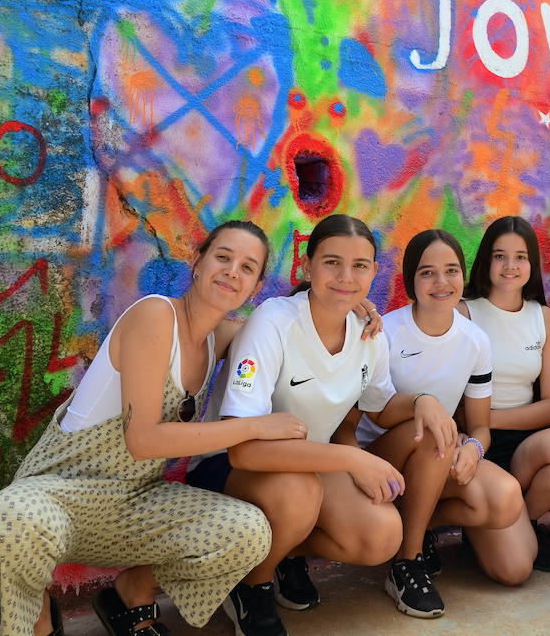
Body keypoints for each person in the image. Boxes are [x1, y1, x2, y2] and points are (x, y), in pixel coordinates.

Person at [0, 221, 282, 636]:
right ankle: (39, 619)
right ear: (198, 262)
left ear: (255, 287)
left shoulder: (221, 338)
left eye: (247, 267)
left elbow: (294, 328)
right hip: (59, 495)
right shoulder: (155, 315)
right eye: (223, 257)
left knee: (248, 532)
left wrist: (350, 312)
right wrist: (255, 428)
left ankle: (132, 591)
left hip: (134, 504)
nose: (232, 272)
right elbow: (144, 439)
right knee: (5, 524)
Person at [189, 214, 442, 636]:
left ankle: (281, 551)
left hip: (309, 464)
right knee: (298, 491)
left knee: (381, 536)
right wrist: (350, 458)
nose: (346, 277)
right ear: (307, 266)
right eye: (331, 262)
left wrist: (423, 402)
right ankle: (250, 586)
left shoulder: (370, 334)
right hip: (233, 470)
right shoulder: (273, 322)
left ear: (374, 272)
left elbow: (378, 409)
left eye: (360, 265)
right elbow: (242, 449)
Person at [356, 229, 525, 614]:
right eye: (428, 273)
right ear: (410, 281)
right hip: (379, 456)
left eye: (451, 271)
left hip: (436, 452)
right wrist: (423, 404)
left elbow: (480, 425)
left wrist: (475, 449)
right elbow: (372, 413)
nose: (442, 282)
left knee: (503, 500)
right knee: (436, 432)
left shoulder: (475, 340)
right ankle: (407, 562)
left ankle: (417, 523)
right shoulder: (386, 333)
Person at [461, 216, 550, 574]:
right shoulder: (463, 312)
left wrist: (486, 418)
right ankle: (499, 523)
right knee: (513, 571)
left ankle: (525, 517)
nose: (510, 266)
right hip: (477, 448)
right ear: (486, 261)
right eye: (500, 256)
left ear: (532, 264)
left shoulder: (544, 317)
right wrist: (478, 427)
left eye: (520, 257)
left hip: (526, 447)